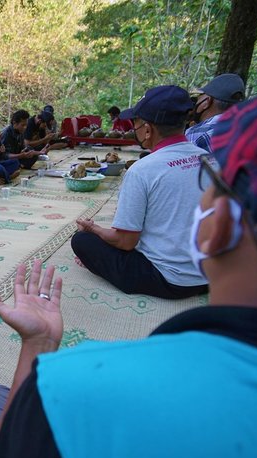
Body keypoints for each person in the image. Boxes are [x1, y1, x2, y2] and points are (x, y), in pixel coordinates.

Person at [0, 69, 257, 458]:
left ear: (214, 228)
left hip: (162, 276)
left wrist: (38, 347)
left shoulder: (74, 386)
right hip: (189, 280)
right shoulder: (203, 158)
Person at [71, 85, 209, 299]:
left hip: (171, 280)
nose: (133, 128)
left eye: (134, 123)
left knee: (81, 241)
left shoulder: (143, 170)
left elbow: (126, 242)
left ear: (147, 129)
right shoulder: (209, 159)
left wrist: (94, 230)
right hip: (212, 273)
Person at [186, 73, 245, 152]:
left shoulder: (197, 135)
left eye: (199, 97)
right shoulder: (249, 130)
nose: (196, 102)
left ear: (207, 102)